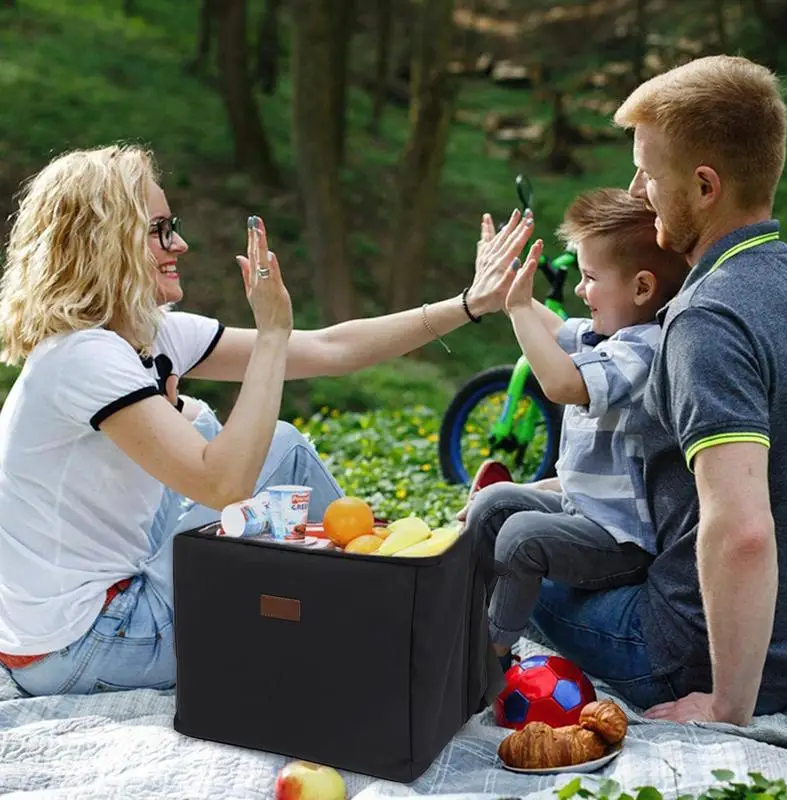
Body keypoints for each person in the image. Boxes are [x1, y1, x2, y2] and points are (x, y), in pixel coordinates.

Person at [0, 144, 534, 697]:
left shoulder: (141, 335)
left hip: (75, 629)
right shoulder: (85, 357)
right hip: (89, 645)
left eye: (173, 225)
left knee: (207, 426)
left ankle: (387, 599)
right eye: (158, 229)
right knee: (277, 448)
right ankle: (419, 620)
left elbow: (331, 349)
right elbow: (224, 483)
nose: (179, 243)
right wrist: (271, 335)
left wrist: (468, 303)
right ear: (104, 244)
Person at [478, 54, 787, 725]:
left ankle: (464, 664)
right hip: (786, 637)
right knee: (512, 511)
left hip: (691, 652)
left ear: (705, 186)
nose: (636, 189)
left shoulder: (704, 321)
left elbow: (741, 531)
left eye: (649, 173)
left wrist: (726, 706)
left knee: (497, 546)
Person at [464, 188, 688, 671]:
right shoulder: (606, 333)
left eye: (589, 278)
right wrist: (507, 287)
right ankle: (464, 617)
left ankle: (488, 659)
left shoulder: (644, 349)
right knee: (492, 502)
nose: (580, 290)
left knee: (522, 536)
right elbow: (554, 329)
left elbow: (563, 383)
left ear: (642, 288)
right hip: (581, 512)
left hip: (620, 543)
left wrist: (521, 309)